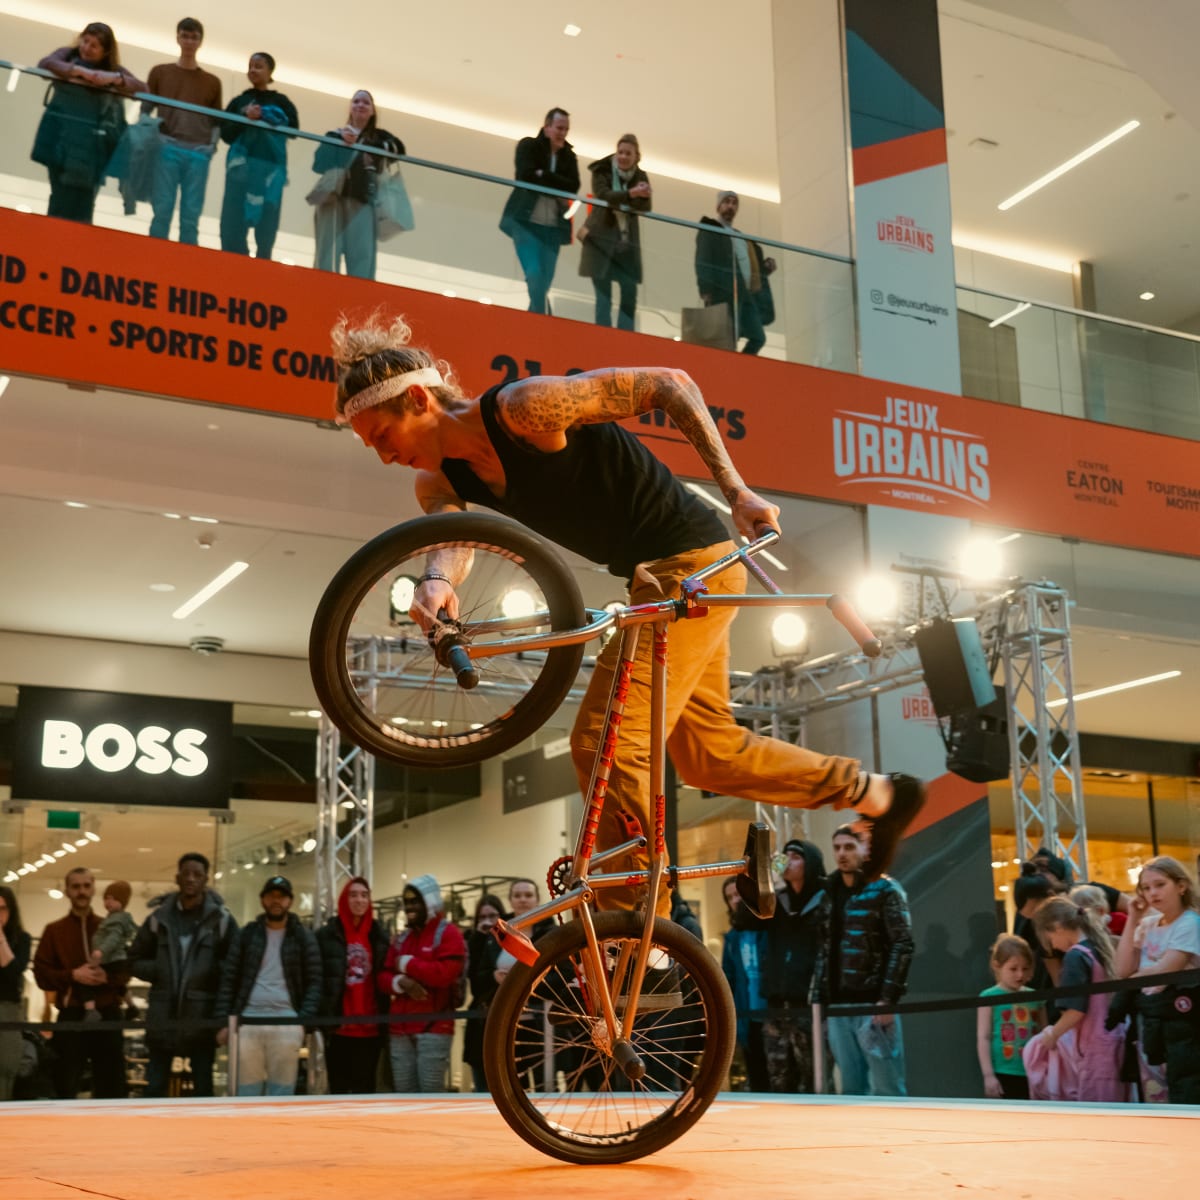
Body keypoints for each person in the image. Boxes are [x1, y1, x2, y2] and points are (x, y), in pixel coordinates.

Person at [329, 315, 926, 916]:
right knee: (707, 756)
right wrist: (435, 584)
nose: (383, 457)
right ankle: (877, 794)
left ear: (416, 399)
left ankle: (645, 935)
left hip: (693, 565)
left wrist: (737, 489)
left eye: (381, 436)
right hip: (654, 580)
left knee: (603, 743)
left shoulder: (523, 409)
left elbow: (671, 383)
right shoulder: (436, 480)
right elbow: (454, 539)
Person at [128, 852, 237, 1097]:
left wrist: (210, 974)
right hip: (162, 1017)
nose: (190, 879)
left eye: (197, 875)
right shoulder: (158, 919)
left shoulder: (221, 920)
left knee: (203, 1089)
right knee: (154, 1088)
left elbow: (234, 964)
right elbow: (133, 960)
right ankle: (153, 1134)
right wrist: (160, 971)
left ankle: (205, 1136)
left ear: (206, 879)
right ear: (177, 877)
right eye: (186, 873)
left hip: (202, 1018)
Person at [816, 825, 913, 1097]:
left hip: (873, 1003)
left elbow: (902, 944)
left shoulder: (886, 889)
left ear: (864, 849)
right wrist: (820, 1001)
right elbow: (823, 949)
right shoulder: (828, 892)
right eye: (837, 848)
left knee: (888, 1086)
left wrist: (887, 998)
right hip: (838, 1005)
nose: (841, 853)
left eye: (849, 846)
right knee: (851, 1088)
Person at [216, 876, 321, 1097]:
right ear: (262, 900)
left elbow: (315, 980)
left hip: (287, 1021)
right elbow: (229, 978)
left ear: (290, 901)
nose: (276, 901)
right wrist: (224, 1021)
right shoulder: (247, 934)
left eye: (281, 896)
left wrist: (302, 1021)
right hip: (247, 1021)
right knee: (245, 1091)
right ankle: (245, 1132)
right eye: (271, 896)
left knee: (282, 1091)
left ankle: (277, 1132)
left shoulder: (303, 937)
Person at [741, 839, 830, 1093]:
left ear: (810, 862)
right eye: (785, 856)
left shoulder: (825, 897)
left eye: (796, 856)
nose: (788, 860)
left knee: (814, 1078)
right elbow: (742, 920)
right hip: (777, 1003)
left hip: (810, 1003)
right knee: (779, 1080)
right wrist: (768, 880)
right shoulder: (778, 900)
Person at [32, 867, 129, 1098]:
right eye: (76, 886)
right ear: (67, 891)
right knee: (64, 1084)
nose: (81, 891)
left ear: (94, 888)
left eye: (86, 886)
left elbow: (126, 967)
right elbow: (41, 974)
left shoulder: (111, 927)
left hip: (108, 1014)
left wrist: (109, 978)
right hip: (71, 1016)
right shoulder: (54, 931)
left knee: (112, 1087)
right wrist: (72, 976)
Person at [33, 23, 144, 223]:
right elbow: (45, 64)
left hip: (92, 148)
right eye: (85, 41)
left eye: (94, 45)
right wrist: (81, 73)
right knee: (60, 197)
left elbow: (143, 89)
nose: (86, 48)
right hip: (60, 142)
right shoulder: (67, 55)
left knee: (83, 205)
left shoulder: (113, 70)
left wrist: (115, 79)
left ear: (105, 51)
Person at [1115, 856, 1200, 1104]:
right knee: (1154, 1091)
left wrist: (1134, 979)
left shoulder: (1190, 923)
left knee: (1185, 1089)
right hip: (1150, 1020)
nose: (1152, 893)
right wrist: (1132, 919)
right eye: (1146, 887)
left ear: (1181, 886)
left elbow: (1167, 969)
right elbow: (1122, 970)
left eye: (1160, 885)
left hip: (1183, 1021)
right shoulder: (1148, 924)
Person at [1025, 896, 1127, 1102]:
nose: (1053, 946)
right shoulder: (1098, 948)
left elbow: (1075, 1011)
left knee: (1097, 1113)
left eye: (1049, 939)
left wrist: (1053, 1035)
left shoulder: (1075, 957)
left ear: (1057, 927)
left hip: (1094, 1049)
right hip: (1114, 1040)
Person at [379, 874, 466, 1092]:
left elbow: (444, 974)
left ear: (430, 902)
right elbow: (382, 978)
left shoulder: (448, 933)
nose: (410, 907)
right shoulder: (402, 938)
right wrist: (402, 982)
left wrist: (406, 963)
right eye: (407, 902)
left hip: (434, 1029)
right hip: (400, 1030)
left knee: (431, 1097)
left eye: (416, 901)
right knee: (403, 1097)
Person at [143, 17, 222, 245]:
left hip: (198, 151)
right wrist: (154, 137)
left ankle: (186, 268)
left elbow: (217, 120)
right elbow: (145, 110)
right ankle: (154, 260)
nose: (188, 41)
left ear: (200, 41)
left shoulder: (212, 81)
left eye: (193, 37)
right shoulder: (160, 72)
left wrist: (211, 147)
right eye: (185, 36)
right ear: (178, 37)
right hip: (167, 146)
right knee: (162, 209)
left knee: (191, 215)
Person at [310, 90, 404, 280]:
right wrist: (342, 144)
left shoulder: (380, 138)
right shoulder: (334, 135)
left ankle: (360, 297)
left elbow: (399, 151)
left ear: (372, 111)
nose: (360, 105)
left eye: (366, 103)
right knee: (327, 251)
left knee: (362, 255)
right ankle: (322, 289)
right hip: (332, 199)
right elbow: (318, 164)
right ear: (350, 108)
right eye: (356, 101)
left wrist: (371, 146)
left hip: (363, 200)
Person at [499, 107, 580, 314]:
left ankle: (535, 321)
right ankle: (543, 321)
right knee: (535, 275)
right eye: (559, 128)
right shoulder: (529, 146)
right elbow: (525, 175)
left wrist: (542, 174)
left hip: (553, 228)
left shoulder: (569, 156)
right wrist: (556, 186)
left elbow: (573, 186)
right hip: (525, 223)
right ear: (547, 127)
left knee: (543, 283)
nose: (562, 133)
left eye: (566, 129)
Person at [219, 52, 299, 260]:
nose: (253, 70)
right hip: (240, 172)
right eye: (251, 66)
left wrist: (267, 116)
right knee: (233, 221)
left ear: (270, 71)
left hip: (270, 173)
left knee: (267, 222)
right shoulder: (239, 101)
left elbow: (294, 129)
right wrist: (244, 115)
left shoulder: (281, 101)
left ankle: (263, 265)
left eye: (259, 66)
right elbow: (225, 133)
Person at [316, 875, 390, 1094]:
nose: (359, 900)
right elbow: (318, 978)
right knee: (338, 1091)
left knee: (365, 1090)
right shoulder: (326, 936)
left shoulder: (379, 935)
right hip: (339, 1028)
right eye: (354, 895)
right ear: (344, 900)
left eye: (364, 895)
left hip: (371, 1028)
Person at [578, 135, 651, 330]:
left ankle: (625, 339)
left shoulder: (641, 176)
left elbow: (645, 205)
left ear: (637, 156)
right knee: (604, 298)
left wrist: (629, 196)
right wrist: (631, 194)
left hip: (626, 246)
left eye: (628, 153)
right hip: (600, 243)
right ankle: (603, 338)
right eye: (620, 152)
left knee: (629, 294)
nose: (623, 157)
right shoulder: (602, 171)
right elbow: (604, 196)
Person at [694, 190, 777, 355]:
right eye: (727, 202)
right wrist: (706, 289)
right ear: (718, 206)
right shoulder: (710, 229)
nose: (730, 206)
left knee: (758, 337)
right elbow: (703, 259)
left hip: (745, 294)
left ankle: (743, 365)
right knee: (729, 336)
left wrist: (765, 269)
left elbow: (749, 268)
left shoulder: (741, 238)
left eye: (734, 203)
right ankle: (732, 368)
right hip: (723, 291)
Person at [975, 934, 1046, 1100]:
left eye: (1025, 968)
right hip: (1003, 1072)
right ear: (996, 966)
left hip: (1034, 1071)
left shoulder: (1036, 997)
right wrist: (988, 1075)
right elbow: (983, 1037)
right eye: (1013, 969)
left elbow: (1044, 1034)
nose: (1020, 975)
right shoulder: (988, 996)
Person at [720, 875, 769, 1091]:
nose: (735, 900)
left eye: (738, 894)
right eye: (730, 897)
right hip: (746, 1014)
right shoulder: (732, 938)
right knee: (756, 1071)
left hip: (771, 1012)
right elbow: (728, 978)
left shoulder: (768, 928)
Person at [462, 893, 505, 1092]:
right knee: (481, 1085)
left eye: (492, 916)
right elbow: (474, 982)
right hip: (480, 1018)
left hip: (506, 1014)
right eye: (482, 917)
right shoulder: (473, 940)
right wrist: (479, 937)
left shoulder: (508, 939)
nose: (487, 921)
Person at [79, 881, 136, 1021]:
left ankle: (90, 1010)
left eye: (114, 899)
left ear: (122, 901)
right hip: (115, 959)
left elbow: (113, 937)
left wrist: (100, 951)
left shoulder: (116, 920)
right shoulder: (118, 918)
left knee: (87, 980)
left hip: (110, 959)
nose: (108, 902)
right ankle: (131, 1005)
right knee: (119, 985)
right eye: (106, 898)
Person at [0, 886, 33, 1100]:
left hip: (8, 1010)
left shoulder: (22, 939)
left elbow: (13, 973)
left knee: (7, 1068)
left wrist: (0, 939)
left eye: (2, 908)